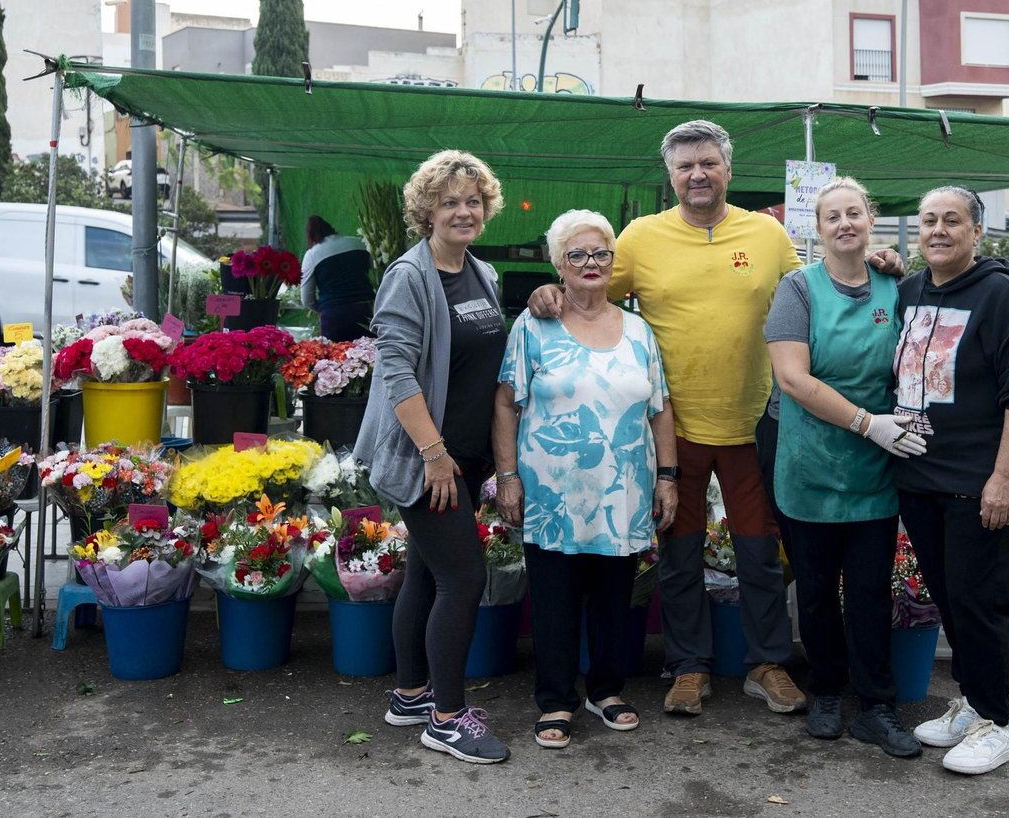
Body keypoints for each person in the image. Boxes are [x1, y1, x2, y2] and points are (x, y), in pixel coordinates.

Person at [528, 120, 902, 718]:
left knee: (758, 551)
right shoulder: (641, 237)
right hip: (670, 425)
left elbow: (820, 286)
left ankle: (766, 664)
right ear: (671, 176)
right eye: (685, 166)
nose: (697, 174)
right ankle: (688, 666)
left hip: (758, 419)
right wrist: (548, 293)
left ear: (729, 169)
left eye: (708, 162)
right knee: (680, 551)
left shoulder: (767, 232)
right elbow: (587, 285)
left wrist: (874, 256)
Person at [492, 209, 681, 749]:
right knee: (553, 599)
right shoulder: (533, 326)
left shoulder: (639, 330)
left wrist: (667, 477)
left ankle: (606, 689)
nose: (591, 263)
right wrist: (507, 476)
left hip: (621, 491)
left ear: (613, 262)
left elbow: (660, 409)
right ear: (559, 266)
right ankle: (555, 700)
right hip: (552, 493)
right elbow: (506, 404)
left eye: (600, 253)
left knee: (613, 597)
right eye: (577, 254)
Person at [354, 150, 511, 765]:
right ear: (427, 211)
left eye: (473, 200)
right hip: (426, 457)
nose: (464, 211)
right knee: (464, 577)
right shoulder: (410, 276)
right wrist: (434, 453)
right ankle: (447, 719)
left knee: (425, 573)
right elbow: (394, 368)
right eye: (449, 202)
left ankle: (412, 694)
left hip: (462, 457)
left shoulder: (483, 274)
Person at [764, 177, 925, 758]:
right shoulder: (798, 289)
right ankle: (827, 690)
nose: (844, 225)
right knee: (814, 591)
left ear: (870, 219)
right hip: (811, 460)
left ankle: (877, 706)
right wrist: (867, 423)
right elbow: (793, 379)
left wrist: (894, 427)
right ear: (817, 228)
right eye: (832, 217)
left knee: (867, 591)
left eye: (854, 213)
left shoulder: (895, 285)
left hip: (873, 470)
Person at [891, 185, 1009, 776]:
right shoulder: (909, 290)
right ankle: (971, 704)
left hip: (976, 482)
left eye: (951, 221)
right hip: (918, 476)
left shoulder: (998, 294)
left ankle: (997, 723)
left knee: (978, 605)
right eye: (927, 219)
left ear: (976, 232)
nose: (937, 230)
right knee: (950, 598)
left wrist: (1003, 478)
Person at [300, 214, 375, 341]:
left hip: (334, 317)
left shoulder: (312, 255)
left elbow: (306, 299)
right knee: (371, 354)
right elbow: (377, 273)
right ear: (330, 228)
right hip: (367, 309)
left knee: (336, 358)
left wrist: (326, 308)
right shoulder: (359, 243)